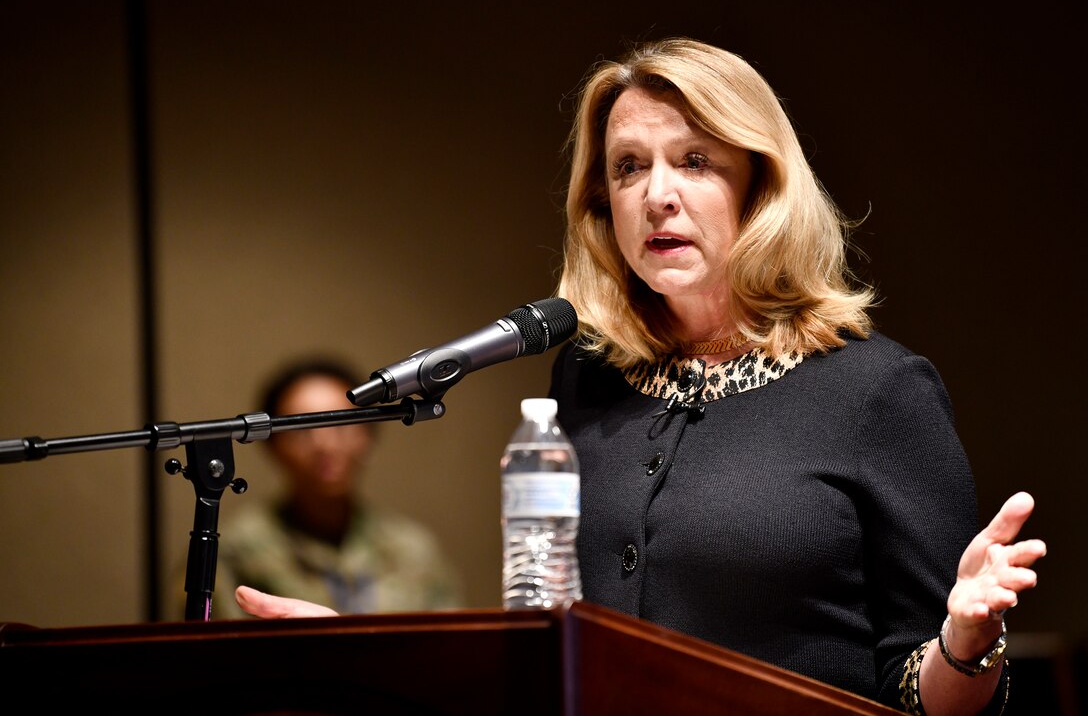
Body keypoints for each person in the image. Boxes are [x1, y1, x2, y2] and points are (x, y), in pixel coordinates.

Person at [232, 39, 1046, 715]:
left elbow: (924, 694)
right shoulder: (583, 382)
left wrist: (963, 644)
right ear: (602, 204)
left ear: (759, 186)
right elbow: (551, 657)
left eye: (694, 160)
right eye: (628, 167)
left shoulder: (875, 391)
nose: (658, 195)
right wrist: (368, 657)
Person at [201, 357, 462, 619]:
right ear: (272, 445)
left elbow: (453, 649)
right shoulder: (237, 551)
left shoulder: (411, 549)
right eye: (301, 429)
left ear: (368, 436)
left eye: (341, 424)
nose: (324, 445)